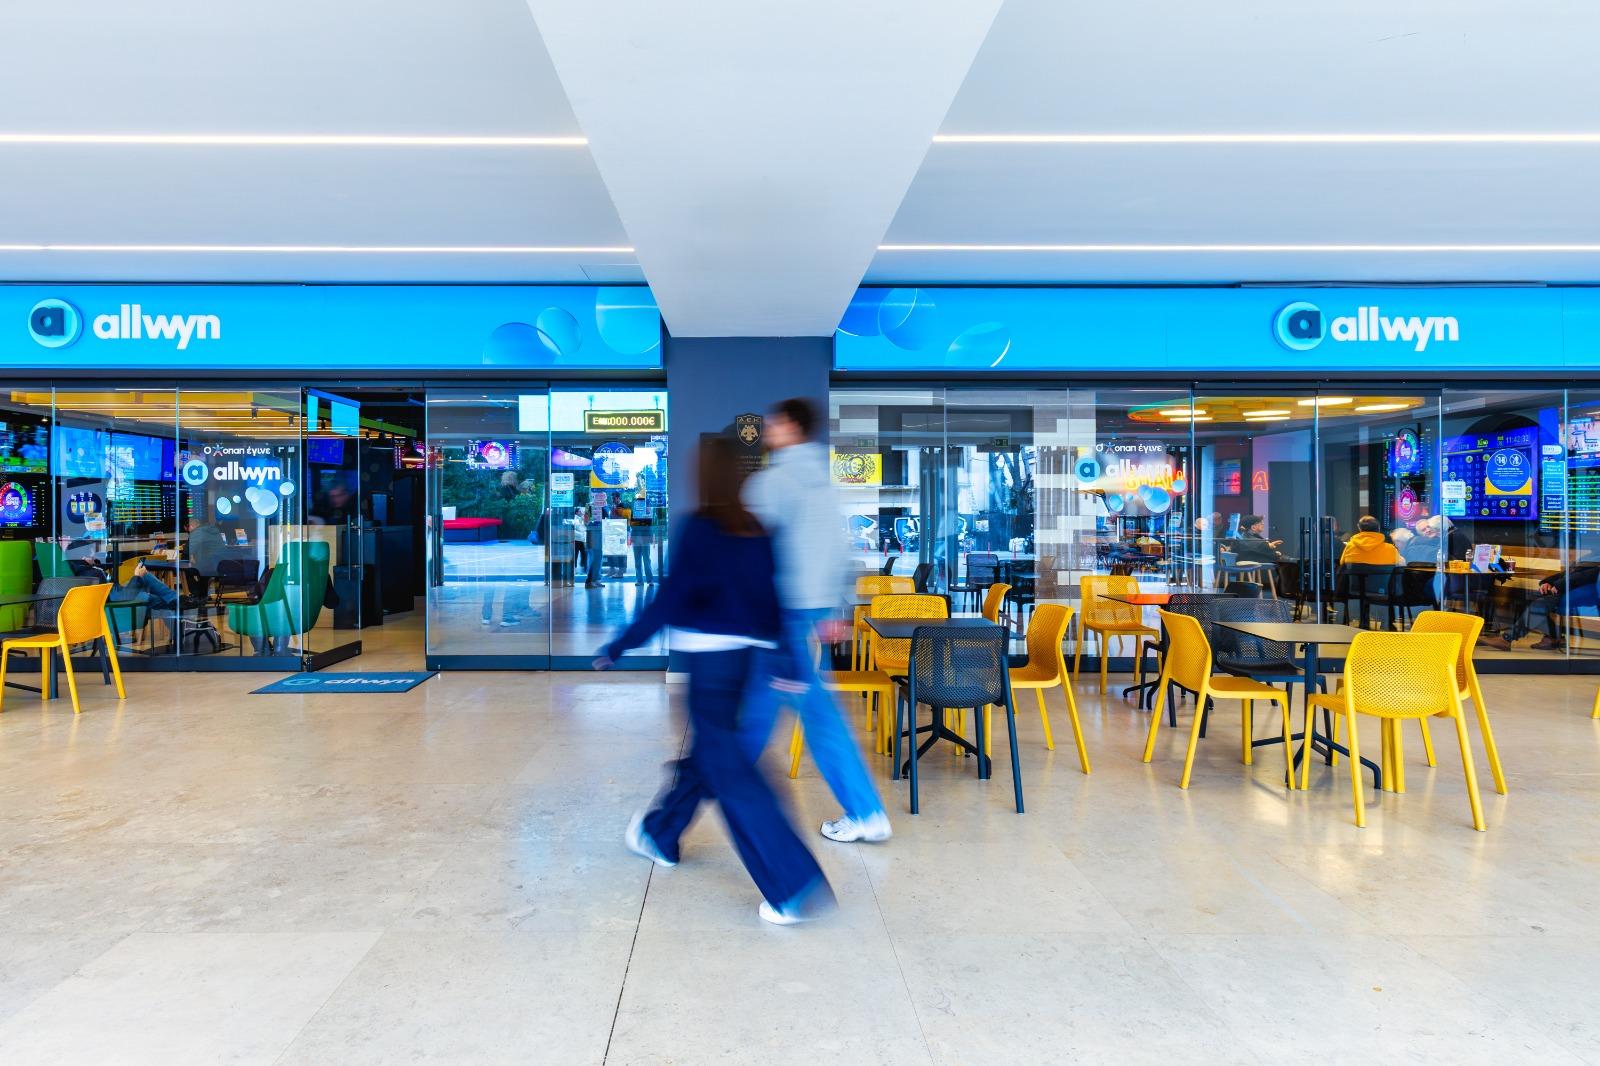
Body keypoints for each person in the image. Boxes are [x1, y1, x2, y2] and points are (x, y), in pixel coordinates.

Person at [598, 437, 833, 925]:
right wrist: (789, 662)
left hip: (707, 666)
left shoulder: (700, 529)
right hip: (747, 664)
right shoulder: (758, 530)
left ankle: (791, 886)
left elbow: (669, 599)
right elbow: (774, 602)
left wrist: (621, 644)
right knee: (713, 752)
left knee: (731, 771)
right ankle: (661, 832)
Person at [741, 397, 890, 844]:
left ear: (790, 425)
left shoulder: (773, 480)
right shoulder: (825, 482)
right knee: (763, 718)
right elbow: (838, 548)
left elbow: (749, 551)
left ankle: (866, 810)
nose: (767, 429)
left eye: (773, 422)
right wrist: (834, 609)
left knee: (784, 718)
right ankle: (865, 809)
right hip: (808, 609)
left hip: (778, 614)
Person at [1482, 562, 1600, 651]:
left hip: (1586, 592)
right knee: (1527, 598)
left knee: (1541, 604)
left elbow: (1589, 575)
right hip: (1568, 589)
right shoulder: (1589, 559)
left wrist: (1559, 585)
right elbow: (1570, 573)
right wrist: (1547, 582)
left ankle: (1507, 638)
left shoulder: (1593, 560)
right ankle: (1553, 637)